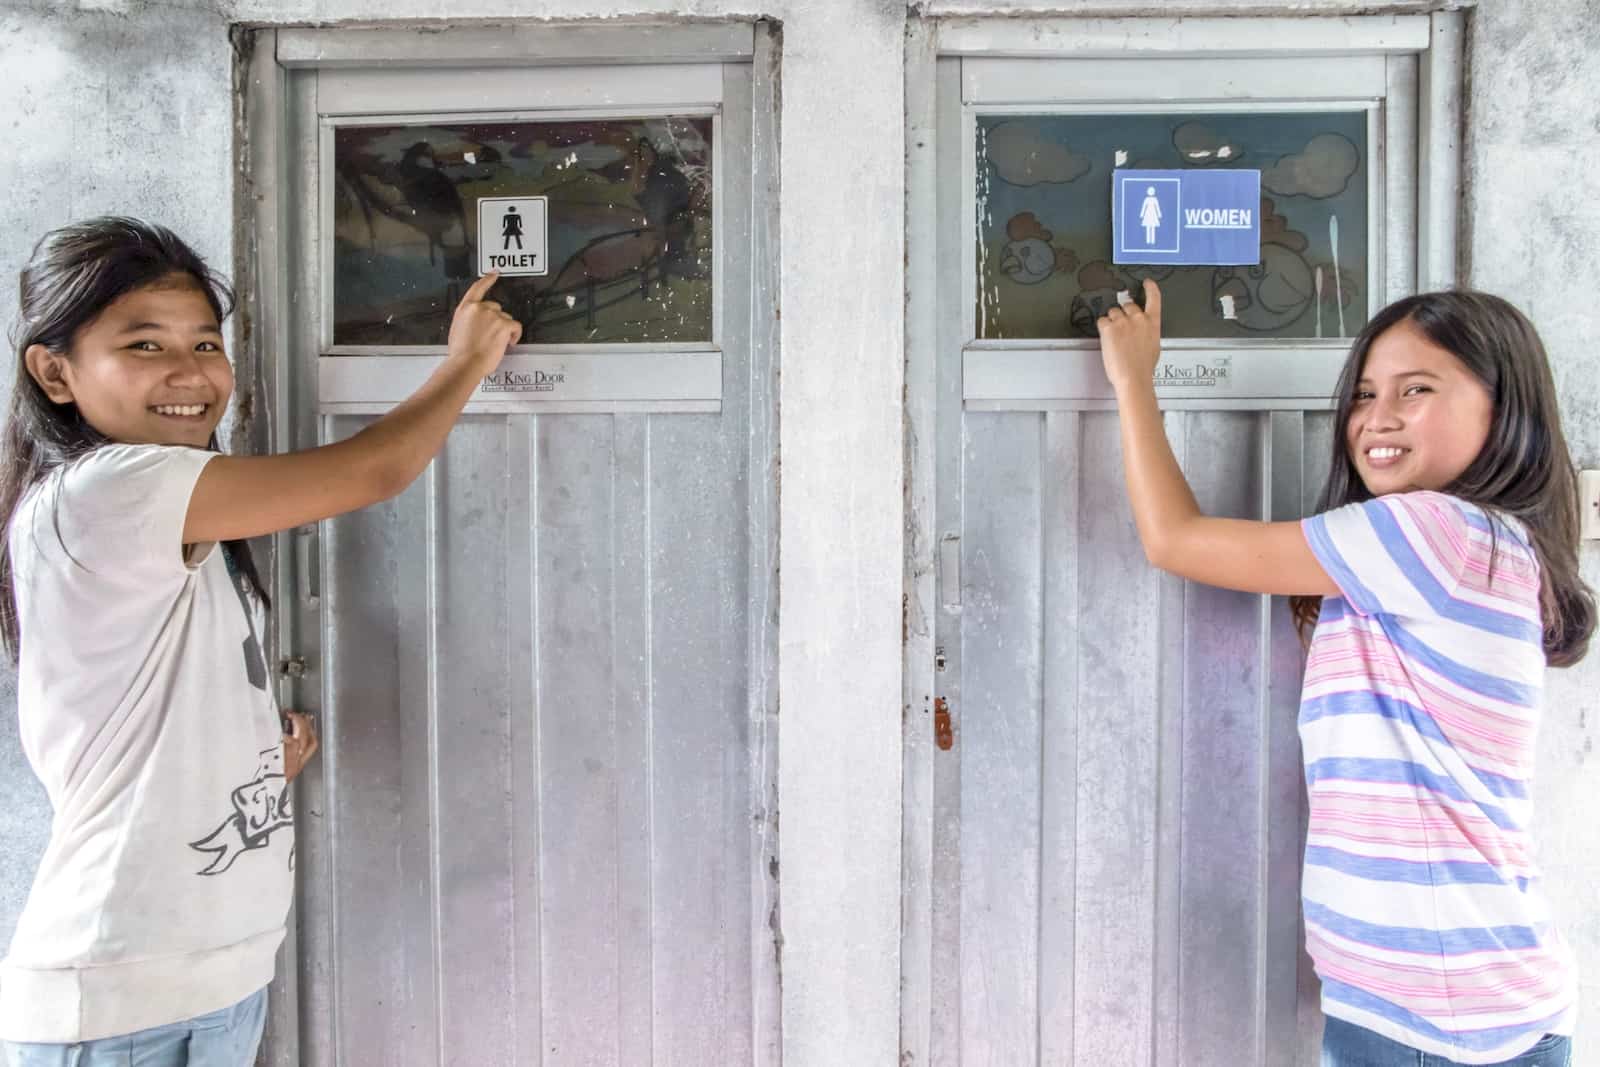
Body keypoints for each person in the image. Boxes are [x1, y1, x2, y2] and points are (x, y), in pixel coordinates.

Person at [0, 218, 519, 1066]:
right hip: (120, 998)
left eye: (206, 341)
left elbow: (138, 710)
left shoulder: (154, 501)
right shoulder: (108, 488)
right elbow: (372, 471)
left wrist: (246, 760)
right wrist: (464, 362)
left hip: (207, 987)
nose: (189, 373)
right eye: (143, 344)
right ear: (54, 372)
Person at [1096, 280, 1592, 1066]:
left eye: (1416, 389)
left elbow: (1175, 539)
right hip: (1422, 1007)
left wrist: (1132, 381)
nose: (1377, 417)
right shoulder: (1458, 545)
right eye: (1364, 393)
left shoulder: (1439, 531)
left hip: (1438, 1022)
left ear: (1503, 410)